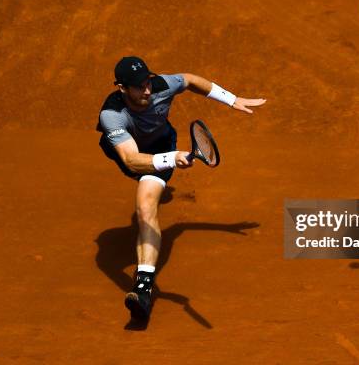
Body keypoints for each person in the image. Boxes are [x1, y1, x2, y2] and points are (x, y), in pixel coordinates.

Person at [97, 56, 266, 321]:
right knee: (136, 168)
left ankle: (142, 289)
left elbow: (190, 79)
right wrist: (172, 158)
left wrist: (233, 100)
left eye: (147, 83)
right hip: (127, 152)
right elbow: (130, 160)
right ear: (122, 88)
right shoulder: (111, 115)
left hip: (161, 145)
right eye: (139, 87)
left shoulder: (162, 84)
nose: (148, 90)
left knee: (145, 207)